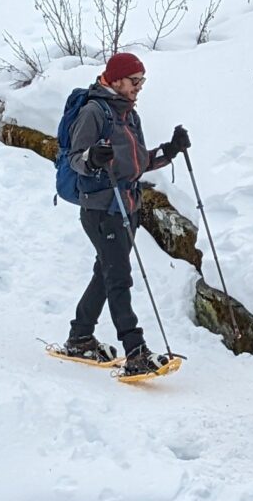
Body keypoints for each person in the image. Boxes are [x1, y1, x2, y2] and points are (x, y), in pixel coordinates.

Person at [59, 51, 188, 379]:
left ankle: (80, 336)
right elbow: (75, 158)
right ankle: (135, 351)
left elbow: (138, 162)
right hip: (101, 208)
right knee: (118, 277)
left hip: (127, 205)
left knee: (106, 273)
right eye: (135, 81)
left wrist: (168, 151)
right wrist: (92, 157)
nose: (140, 87)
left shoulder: (129, 115)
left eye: (142, 81)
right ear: (116, 79)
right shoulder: (93, 112)